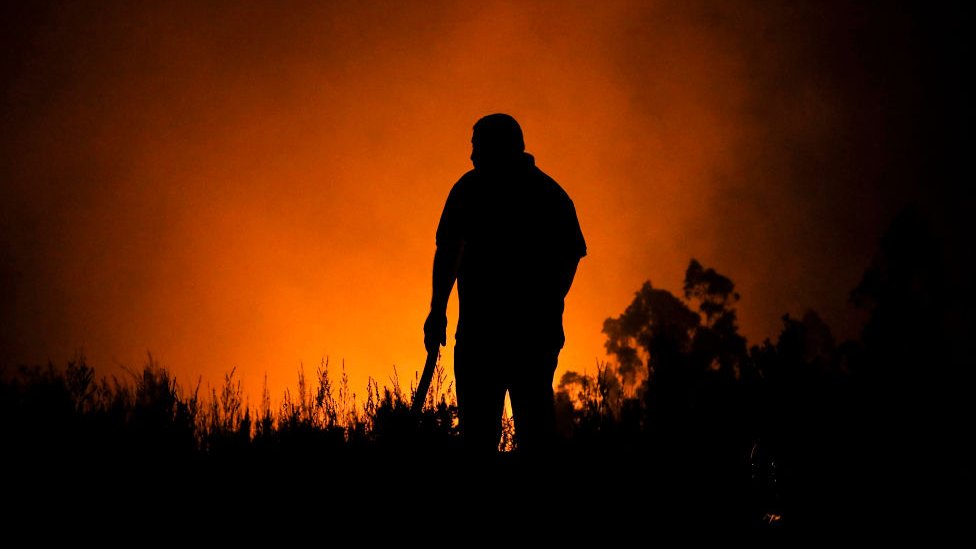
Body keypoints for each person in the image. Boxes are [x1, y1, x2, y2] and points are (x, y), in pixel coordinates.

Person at [424, 113, 586, 454]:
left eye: (477, 147)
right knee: (497, 434)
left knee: (515, 434)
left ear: (500, 147)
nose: (472, 156)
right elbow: (448, 252)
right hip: (499, 336)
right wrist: (437, 311)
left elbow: (569, 255)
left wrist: (546, 299)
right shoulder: (539, 192)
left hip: (509, 337)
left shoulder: (533, 194)